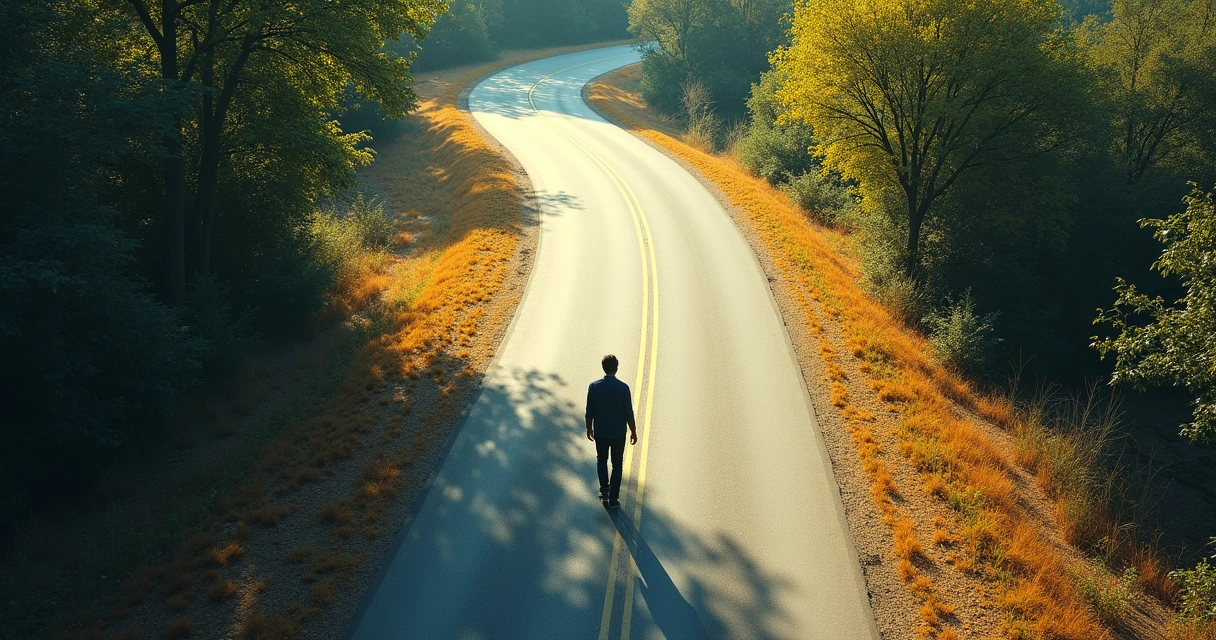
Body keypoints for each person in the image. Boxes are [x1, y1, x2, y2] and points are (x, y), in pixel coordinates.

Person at [585, 354, 637, 509]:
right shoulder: (623, 388)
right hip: (618, 434)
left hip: (600, 432)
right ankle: (614, 499)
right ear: (617, 367)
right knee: (617, 464)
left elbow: (590, 411)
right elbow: (629, 413)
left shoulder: (594, 386)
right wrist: (633, 431)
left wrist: (589, 428)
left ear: (603, 367)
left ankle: (604, 490)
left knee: (601, 460)